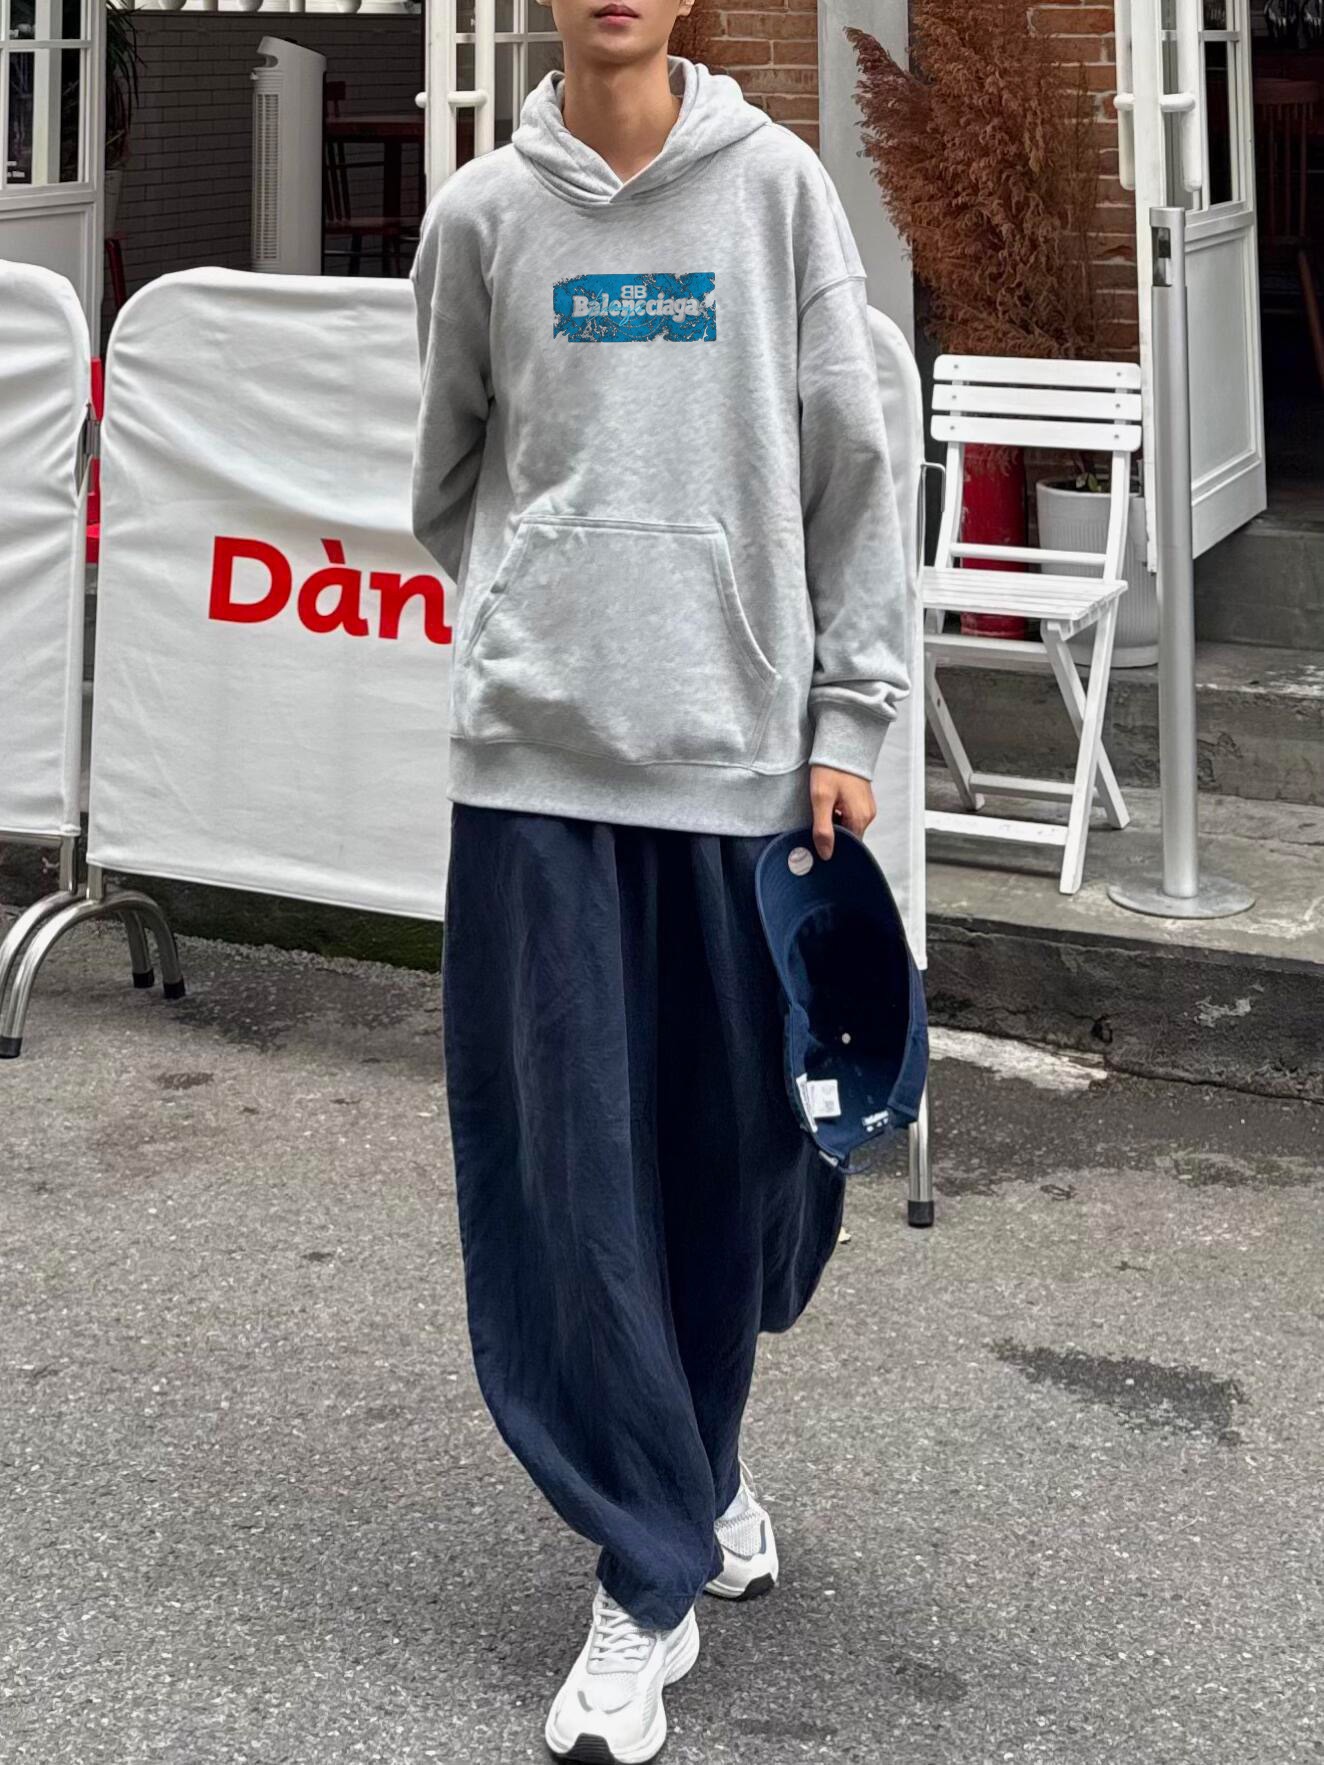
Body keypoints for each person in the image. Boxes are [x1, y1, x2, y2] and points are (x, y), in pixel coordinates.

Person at [409, 6, 910, 1758]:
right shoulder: (482, 213)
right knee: (570, 1185)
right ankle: (645, 1569)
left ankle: (694, 1464)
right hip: (537, 771)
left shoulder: (777, 192)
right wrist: (554, 598)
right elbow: (448, 472)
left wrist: (848, 711)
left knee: (735, 1159)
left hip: (735, 769)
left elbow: (855, 467)